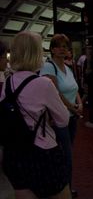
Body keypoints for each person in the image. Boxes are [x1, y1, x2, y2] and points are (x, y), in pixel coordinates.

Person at [0, 31, 71, 198]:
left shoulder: (8, 81)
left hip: (14, 154)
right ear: (35, 53)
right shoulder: (43, 83)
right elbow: (63, 120)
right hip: (42, 153)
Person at [39, 33, 82, 197]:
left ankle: (65, 187)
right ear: (52, 49)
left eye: (65, 46)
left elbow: (75, 88)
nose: (63, 49)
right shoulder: (49, 67)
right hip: (58, 119)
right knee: (66, 156)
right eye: (59, 46)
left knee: (67, 153)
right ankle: (63, 190)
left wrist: (80, 103)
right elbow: (55, 93)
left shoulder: (67, 68)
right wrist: (73, 107)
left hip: (71, 118)